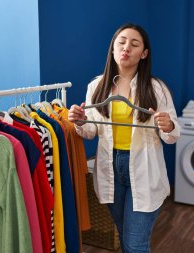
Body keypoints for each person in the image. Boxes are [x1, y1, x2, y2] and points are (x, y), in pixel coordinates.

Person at [68, 23, 180, 253]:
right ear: (113, 48)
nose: (126, 47)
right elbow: (91, 132)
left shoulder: (156, 89)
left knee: (136, 244)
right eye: (121, 42)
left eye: (134, 43)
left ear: (144, 53)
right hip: (111, 167)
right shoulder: (96, 86)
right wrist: (79, 121)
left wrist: (168, 126)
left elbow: (172, 136)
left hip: (145, 169)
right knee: (125, 235)